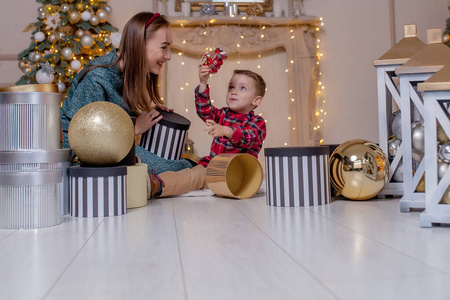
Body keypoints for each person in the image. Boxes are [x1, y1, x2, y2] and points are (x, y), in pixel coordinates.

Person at [60, 12, 193, 174]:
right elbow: (88, 140)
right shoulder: (96, 79)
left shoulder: (128, 74)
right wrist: (133, 128)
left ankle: (192, 170)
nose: (168, 56)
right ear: (138, 44)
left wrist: (148, 114)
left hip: (110, 148)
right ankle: (195, 170)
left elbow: (111, 117)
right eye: (163, 47)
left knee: (169, 164)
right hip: (81, 158)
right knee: (169, 169)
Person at [150, 66, 267, 198]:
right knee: (186, 168)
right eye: (231, 87)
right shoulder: (223, 114)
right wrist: (203, 83)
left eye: (243, 88)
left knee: (194, 176)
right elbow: (204, 110)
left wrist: (227, 131)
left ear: (256, 100)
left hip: (235, 174)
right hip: (214, 166)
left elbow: (250, 138)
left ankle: (154, 185)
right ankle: (160, 176)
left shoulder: (257, 122)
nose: (234, 92)